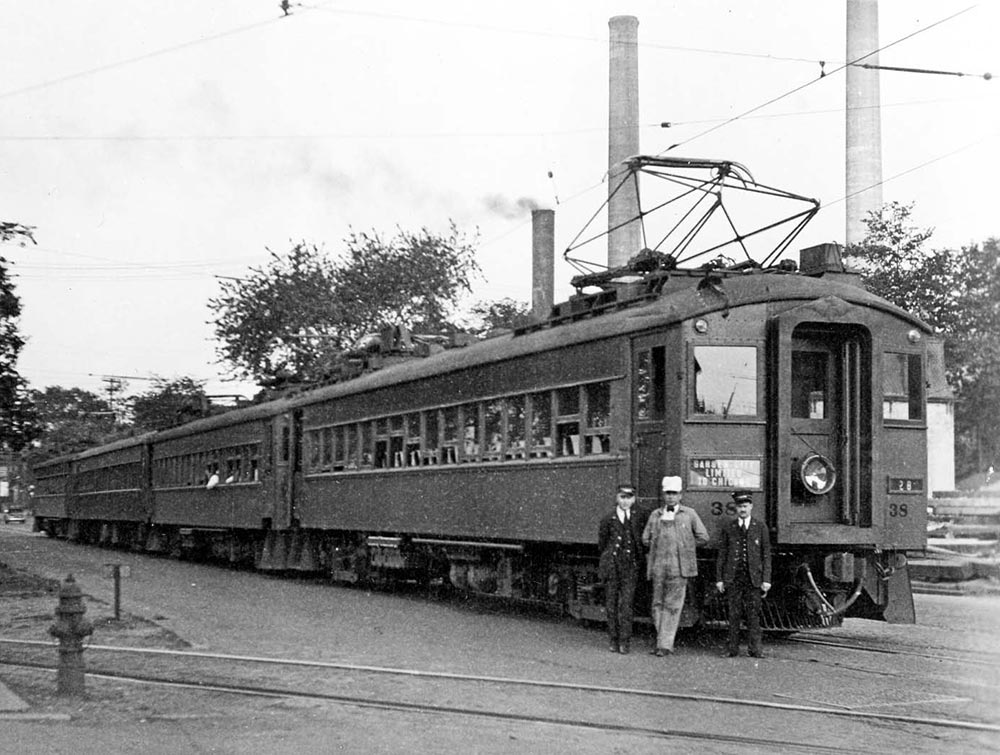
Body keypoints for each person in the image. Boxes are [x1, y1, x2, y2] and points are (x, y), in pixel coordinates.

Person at [641, 475, 710, 656]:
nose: (671, 497)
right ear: (664, 495)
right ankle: (662, 641)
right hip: (658, 566)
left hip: (679, 568)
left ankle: (664, 645)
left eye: (674, 493)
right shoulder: (655, 515)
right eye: (668, 493)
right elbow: (645, 538)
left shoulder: (689, 514)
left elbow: (704, 537)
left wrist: (686, 546)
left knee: (673, 606)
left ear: (680, 495)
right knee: (657, 604)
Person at [715, 490, 772, 658]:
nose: (743, 509)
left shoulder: (760, 527)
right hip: (733, 578)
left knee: (753, 615)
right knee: (733, 614)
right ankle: (732, 649)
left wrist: (766, 580)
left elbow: (766, 555)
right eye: (740, 506)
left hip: (753, 578)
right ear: (736, 508)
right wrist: (720, 579)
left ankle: (755, 650)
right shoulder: (729, 527)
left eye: (745, 506)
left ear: (751, 507)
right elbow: (722, 555)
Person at [597, 484, 644, 654]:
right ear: (617, 498)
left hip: (630, 566)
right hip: (612, 566)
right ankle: (613, 639)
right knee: (611, 605)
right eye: (622, 498)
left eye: (629, 498)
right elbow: (602, 544)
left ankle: (625, 641)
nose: (626, 501)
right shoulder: (608, 518)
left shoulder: (638, 517)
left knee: (626, 605)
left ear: (634, 499)